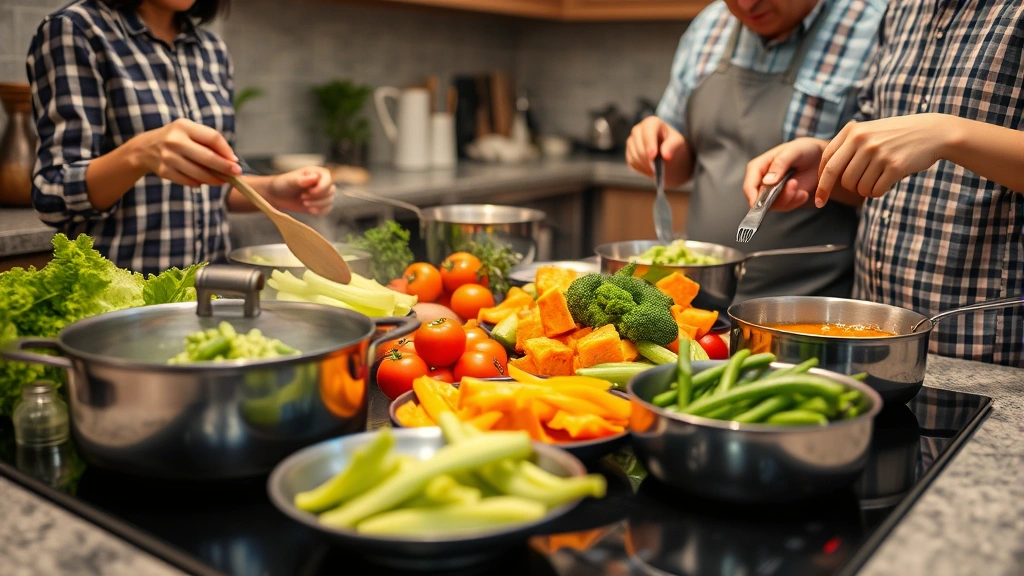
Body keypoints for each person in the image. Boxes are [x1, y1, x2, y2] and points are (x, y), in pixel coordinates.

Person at [743, 2, 1024, 366]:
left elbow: (931, 136)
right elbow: (882, 160)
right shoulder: (904, 8)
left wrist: (949, 133)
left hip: (989, 357)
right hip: (871, 339)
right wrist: (824, 158)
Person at [27, 0, 335, 275]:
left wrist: (274, 190)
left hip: (212, 292)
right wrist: (139, 154)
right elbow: (53, 195)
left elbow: (216, 182)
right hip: (122, 302)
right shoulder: (75, 30)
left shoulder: (211, 50)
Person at [625, 0, 887, 303]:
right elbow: (680, 166)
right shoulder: (709, 24)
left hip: (807, 308)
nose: (747, 4)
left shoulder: (876, 27)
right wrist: (658, 152)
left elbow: (896, 183)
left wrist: (822, 173)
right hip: (700, 299)